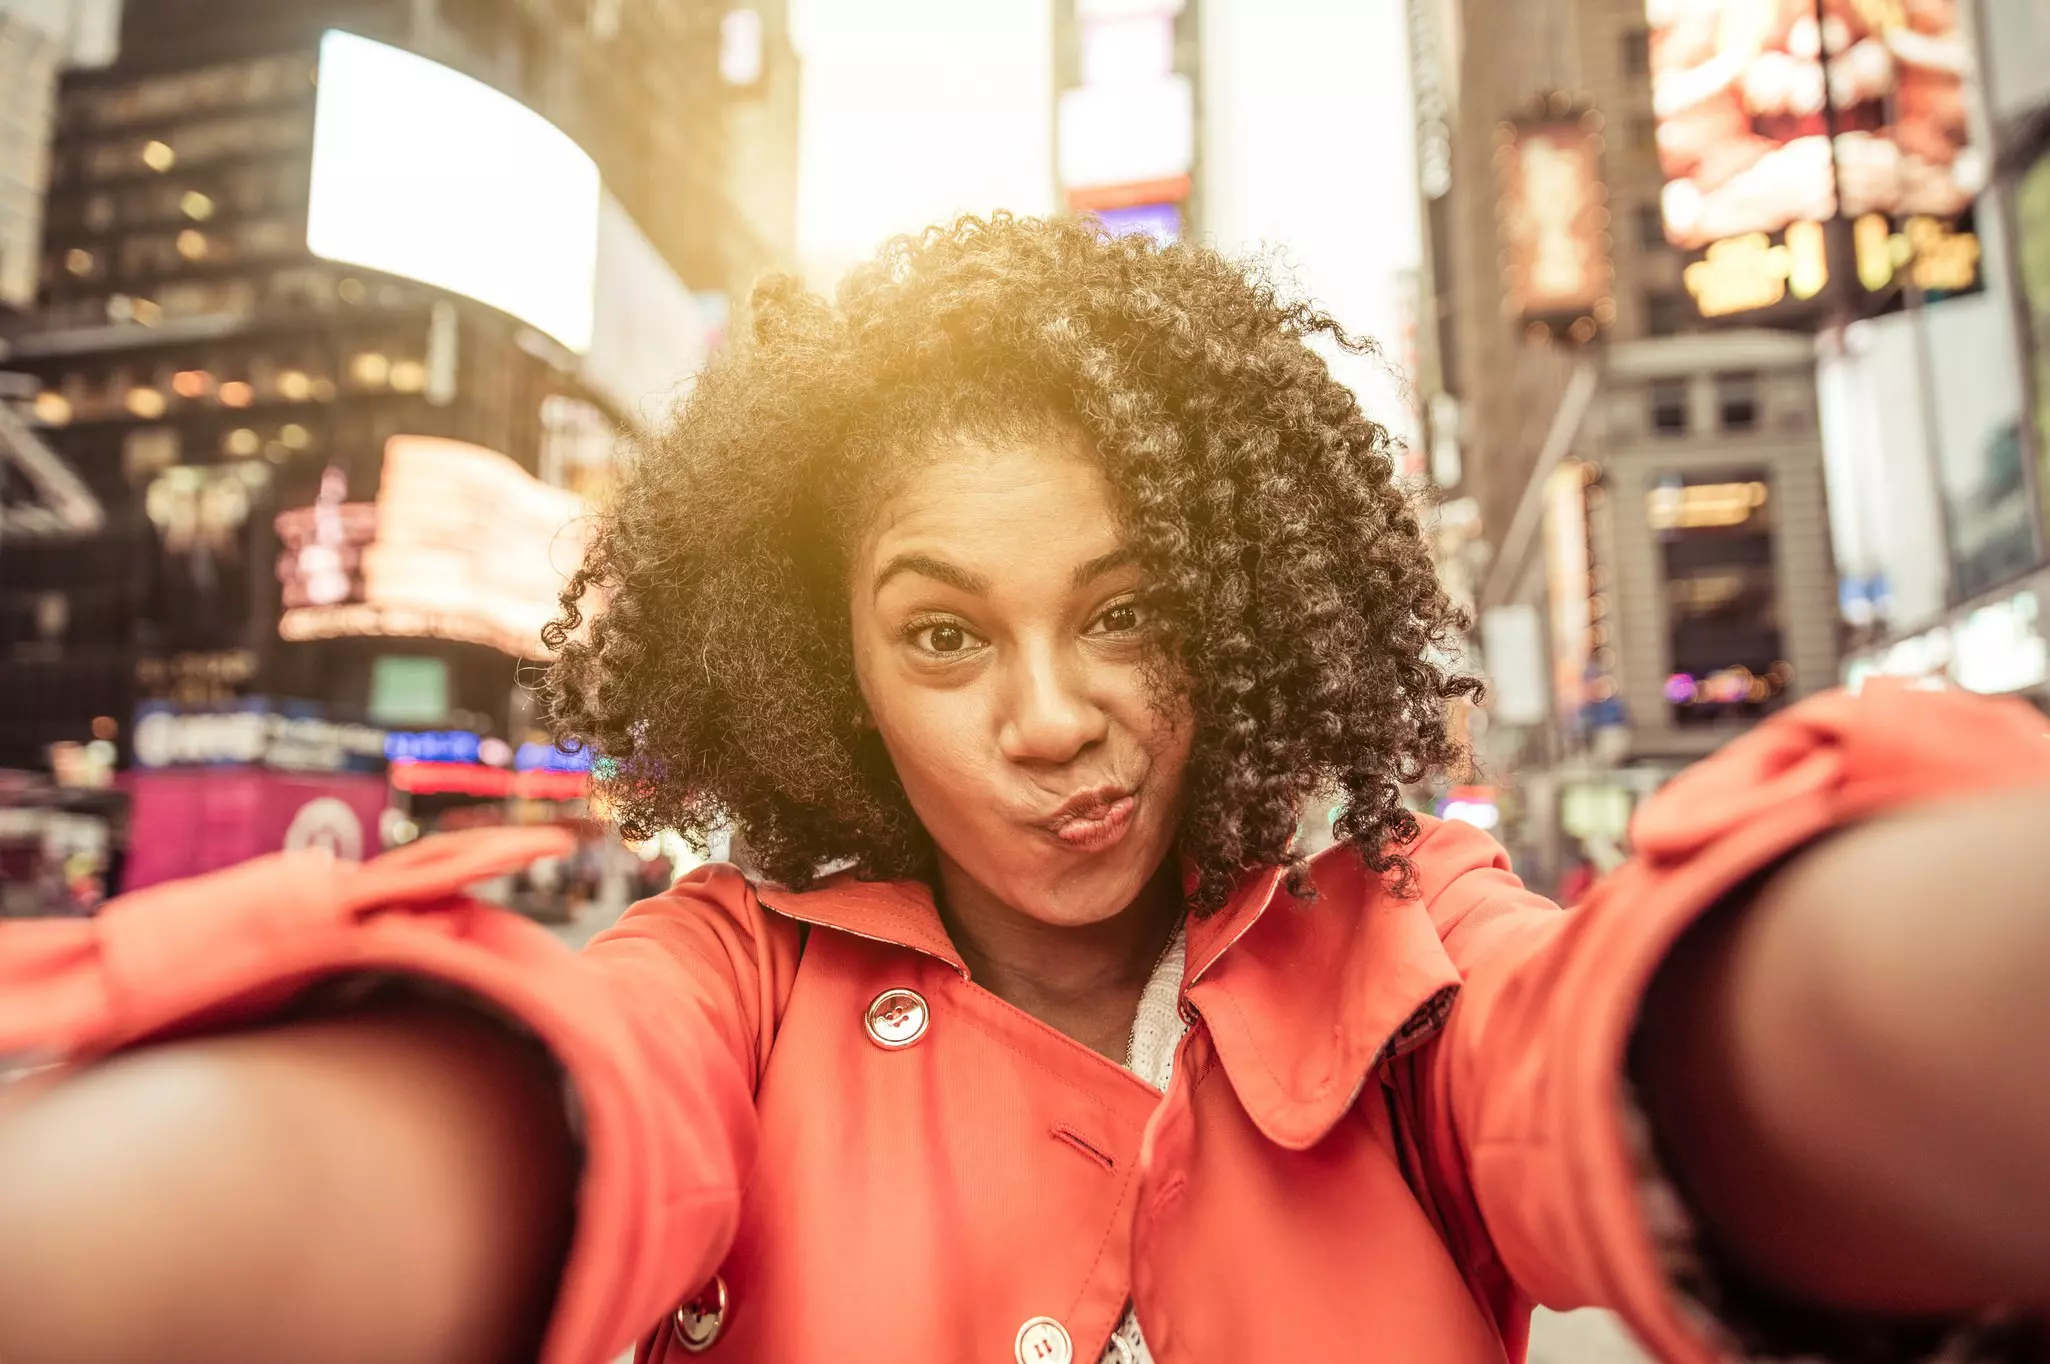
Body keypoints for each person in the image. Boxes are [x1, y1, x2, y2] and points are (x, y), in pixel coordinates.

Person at [2, 215, 2049, 1364]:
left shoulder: (1397, 934)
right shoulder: (728, 978)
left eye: (1126, 609)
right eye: (944, 633)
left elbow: (1605, 1058)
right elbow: (559, 1103)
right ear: (831, 672)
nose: (1052, 716)